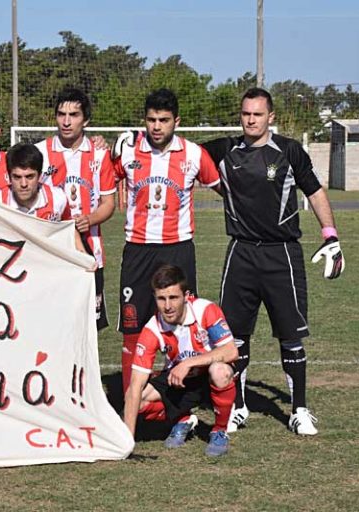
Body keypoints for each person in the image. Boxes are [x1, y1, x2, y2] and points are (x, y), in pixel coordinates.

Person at [203, 87, 345, 435]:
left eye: (257, 114)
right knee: (234, 336)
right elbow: (181, 154)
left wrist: (330, 235)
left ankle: (298, 410)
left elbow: (314, 191)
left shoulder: (290, 151)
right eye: (245, 113)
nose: (250, 119)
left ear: (271, 117)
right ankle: (237, 406)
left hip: (282, 253)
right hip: (241, 251)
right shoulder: (223, 150)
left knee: (291, 335)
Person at [111, 88, 221, 392]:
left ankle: (183, 406)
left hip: (178, 250)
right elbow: (104, 176)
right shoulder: (130, 153)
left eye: (164, 120)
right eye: (151, 120)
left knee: (184, 327)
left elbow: (224, 188)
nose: (156, 126)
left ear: (177, 121)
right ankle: (130, 399)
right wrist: (104, 149)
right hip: (138, 251)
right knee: (133, 328)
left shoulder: (194, 154)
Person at [124, 264, 237, 457]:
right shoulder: (152, 329)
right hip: (180, 381)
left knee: (221, 371)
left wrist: (188, 363)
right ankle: (184, 419)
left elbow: (231, 351)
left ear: (186, 296)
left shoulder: (205, 310)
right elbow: (135, 385)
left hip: (208, 375)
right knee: (137, 400)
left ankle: (219, 431)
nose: (167, 306)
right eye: (161, 298)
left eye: (173, 298)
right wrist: (126, 441)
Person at [35, 88, 116, 329]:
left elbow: (108, 202)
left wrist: (90, 219)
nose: (66, 121)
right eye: (61, 114)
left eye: (74, 115)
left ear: (86, 120)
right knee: (51, 318)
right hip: (51, 250)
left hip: (90, 249)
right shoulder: (40, 152)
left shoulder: (100, 154)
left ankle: (86, 369)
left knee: (90, 323)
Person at [0, 142, 69, 222]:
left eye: (29, 177)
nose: (23, 184)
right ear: (8, 176)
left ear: (39, 176)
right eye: (17, 177)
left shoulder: (58, 198)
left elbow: (70, 231)